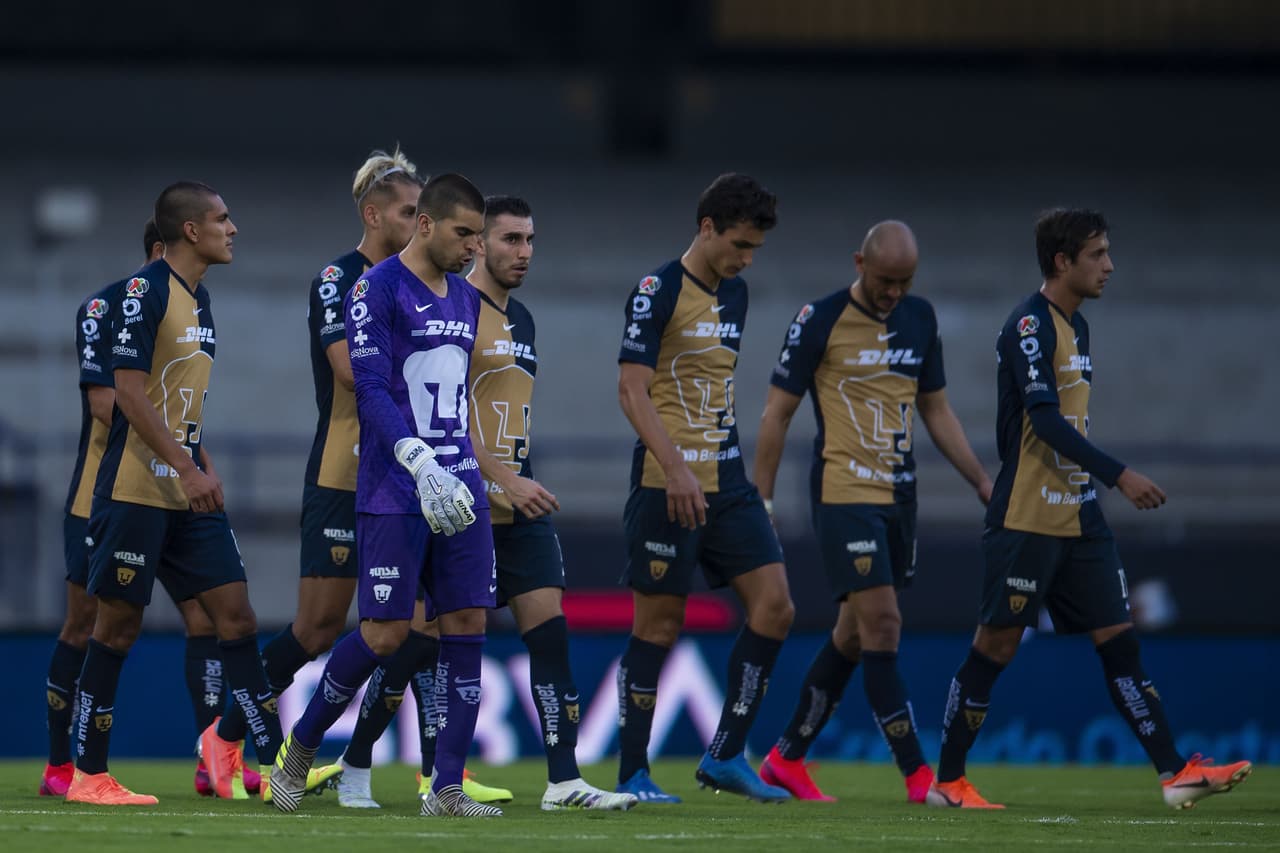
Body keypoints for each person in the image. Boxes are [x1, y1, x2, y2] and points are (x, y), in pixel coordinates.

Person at [926, 208, 1252, 810]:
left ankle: (1175, 773)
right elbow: (1043, 421)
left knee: (1120, 641)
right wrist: (1119, 475)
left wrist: (1095, 486)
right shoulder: (1030, 325)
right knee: (992, 650)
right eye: (1098, 254)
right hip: (1026, 517)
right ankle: (947, 783)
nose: (1110, 265)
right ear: (1062, 261)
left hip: (1079, 517)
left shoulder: (1078, 327)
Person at [337, 196, 637, 812]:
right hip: (452, 498)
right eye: (506, 240)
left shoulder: (521, 319)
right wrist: (499, 478)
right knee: (407, 644)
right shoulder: (449, 307)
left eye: (529, 240)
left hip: (514, 503)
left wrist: (516, 478)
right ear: (474, 243)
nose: (520, 252)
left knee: (550, 633)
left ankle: (563, 781)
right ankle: (356, 761)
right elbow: (437, 415)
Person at [270, 173, 501, 818]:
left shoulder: (466, 297)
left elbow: (458, 395)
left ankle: (447, 787)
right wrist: (416, 459)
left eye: (479, 237)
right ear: (425, 224)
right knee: (384, 632)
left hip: (459, 489)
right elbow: (368, 387)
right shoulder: (374, 289)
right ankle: (300, 751)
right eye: (464, 234)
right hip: (397, 486)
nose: (473, 249)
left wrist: (463, 470)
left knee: (467, 626)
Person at [752, 221, 992, 803]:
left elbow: (936, 409)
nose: (893, 293)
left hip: (898, 498)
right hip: (842, 494)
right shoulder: (820, 320)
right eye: (885, 281)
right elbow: (775, 414)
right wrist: (760, 500)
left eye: (904, 283)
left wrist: (984, 481)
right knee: (883, 623)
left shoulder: (920, 318)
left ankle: (786, 759)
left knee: (854, 636)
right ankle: (919, 778)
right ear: (859, 263)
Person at [65, 183, 287, 806]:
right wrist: (186, 469)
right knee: (115, 629)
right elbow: (126, 395)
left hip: (187, 492)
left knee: (236, 615)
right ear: (190, 231)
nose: (232, 228)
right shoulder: (146, 291)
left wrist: (197, 466)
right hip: (136, 491)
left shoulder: (201, 299)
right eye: (222, 218)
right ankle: (88, 773)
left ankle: (245, 754)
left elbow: (179, 401)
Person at [614, 173, 793, 804]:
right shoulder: (657, 290)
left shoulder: (736, 295)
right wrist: (677, 467)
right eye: (739, 244)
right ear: (707, 227)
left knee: (776, 607)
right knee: (659, 628)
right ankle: (633, 772)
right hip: (667, 483)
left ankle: (724, 755)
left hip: (728, 481)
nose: (746, 259)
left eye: (755, 249)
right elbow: (632, 390)